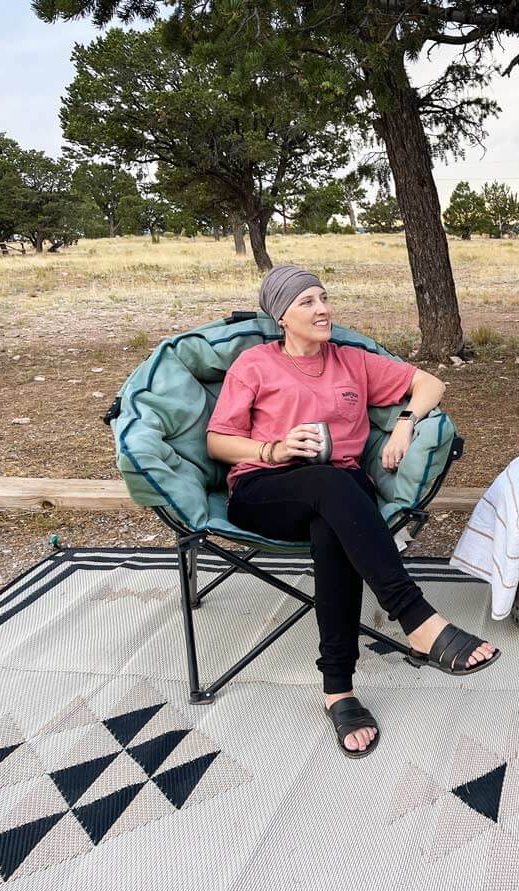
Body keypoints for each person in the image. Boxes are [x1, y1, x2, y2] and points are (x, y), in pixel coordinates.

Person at [206, 264, 499, 759]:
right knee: (332, 486)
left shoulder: (352, 362)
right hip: (264, 488)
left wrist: (405, 423)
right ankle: (415, 617)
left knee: (333, 518)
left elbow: (429, 384)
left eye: (323, 298)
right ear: (281, 315)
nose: (322, 309)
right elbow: (217, 441)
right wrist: (276, 449)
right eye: (307, 302)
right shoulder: (255, 365)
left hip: (338, 496)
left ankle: (338, 688)